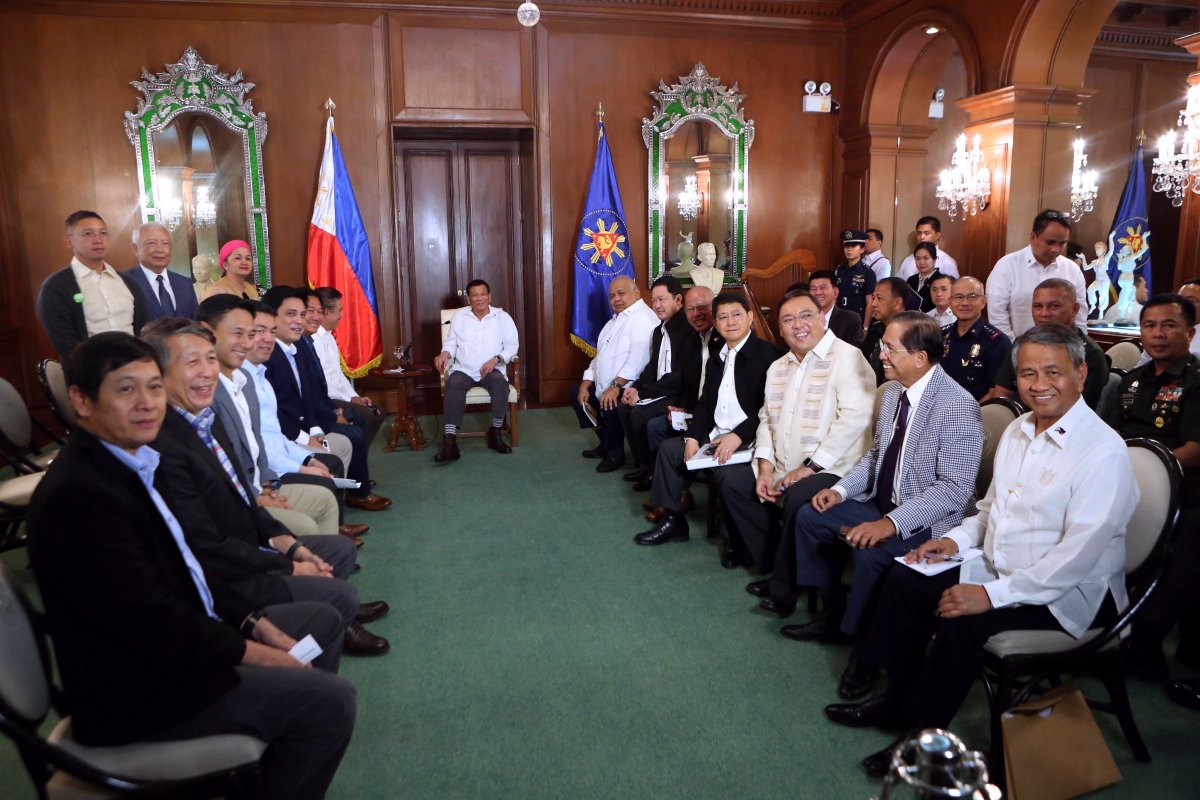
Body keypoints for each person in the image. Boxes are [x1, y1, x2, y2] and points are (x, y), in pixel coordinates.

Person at [27, 332, 356, 799]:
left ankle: (261, 755)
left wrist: (252, 622)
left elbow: (184, 569)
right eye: (126, 389)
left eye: (154, 387)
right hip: (140, 693)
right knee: (330, 703)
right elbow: (155, 623)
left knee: (314, 633)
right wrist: (257, 654)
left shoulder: (126, 461)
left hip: (172, 652)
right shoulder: (78, 496)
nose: (147, 404)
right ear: (80, 399)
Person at [827, 324, 1134, 778]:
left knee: (961, 621)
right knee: (905, 576)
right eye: (1027, 373)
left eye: (1053, 372)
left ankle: (922, 735)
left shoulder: (1102, 452)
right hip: (1001, 565)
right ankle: (893, 701)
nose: (1038, 384)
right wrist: (954, 540)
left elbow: (1076, 559)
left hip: (1069, 594)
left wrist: (990, 596)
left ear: (1081, 373)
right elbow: (991, 512)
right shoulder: (1019, 430)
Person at [142, 317, 391, 657]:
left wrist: (293, 549)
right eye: (191, 362)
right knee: (336, 600)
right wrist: (289, 564)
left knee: (337, 550)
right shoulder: (165, 445)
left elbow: (244, 498)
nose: (205, 371)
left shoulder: (204, 422)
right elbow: (206, 545)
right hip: (230, 572)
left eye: (209, 358)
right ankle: (335, 620)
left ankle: (333, 613)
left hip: (251, 532)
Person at [786, 312, 983, 701]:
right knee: (811, 515)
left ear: (920, 358)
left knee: (873, 555)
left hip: (926, 522)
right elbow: (876, 457)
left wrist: (890, 524)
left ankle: (865, 654)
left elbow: (954, 491)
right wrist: (840, 492)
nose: (882, 355)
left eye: (890, 348)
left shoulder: (957, 405)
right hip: (881, 501)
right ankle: (833, 614)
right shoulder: (893, 392)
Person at [727, 290, 875, 615]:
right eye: (788, 319)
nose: (798, 325)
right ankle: (777, 562)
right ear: (780, 329)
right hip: (784, 463)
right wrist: (764, 466)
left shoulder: (849, 357)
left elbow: (856, 419)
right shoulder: (778, 366)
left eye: (806, 315)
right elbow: (767, 418)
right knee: (734, 485)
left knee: (797, 497)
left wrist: (810, 466)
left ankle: (785, 588)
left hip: (836, 467)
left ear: (823, 317)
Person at [200, 295, 366, 547]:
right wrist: (272, 484)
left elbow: (272, 434)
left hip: (268, 472)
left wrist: (306, 459)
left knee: (331, 460)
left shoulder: (255, 377)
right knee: (324, 478)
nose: (264, 339)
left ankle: (329, 556)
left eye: (269, 332)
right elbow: (253, 450)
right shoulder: (217, 389)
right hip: (258, 483)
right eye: (253, 332)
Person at [635, 293, 784, 562]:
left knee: (728, 475)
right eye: (723, 317)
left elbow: (770, 410)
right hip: (717, 434)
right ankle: (673, 521)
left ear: (750, 317)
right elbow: (705, 403)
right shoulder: (718, 356)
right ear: (716, 323)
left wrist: (737, 436)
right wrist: (693, 437)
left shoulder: (770, 356)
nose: (730, 322)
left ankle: (733, 537)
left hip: (750, 440)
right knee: (670, 450)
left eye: (737, 314)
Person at [1108, 294, 1200, 687]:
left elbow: (1195, 450)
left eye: (1169, 325)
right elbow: (1108, 437)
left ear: (1190, 332)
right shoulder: (1132, 381)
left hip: (1182, 485)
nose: (1158, 334)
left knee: (1189, 539)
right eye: (1150, 326)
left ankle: (1145, 644)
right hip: (1122, 478)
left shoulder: (1196, 382)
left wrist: (1148, 478)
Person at [264, 288, 391, 511]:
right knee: (353, 432)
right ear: (272, 317)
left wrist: (316, 430)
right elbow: (278, 412)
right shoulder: (270, 355)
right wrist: (311, 432)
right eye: (293, 314)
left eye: (303, 314)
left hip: (314, 416)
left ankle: (354, 483)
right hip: (293, 430)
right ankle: (354, 492)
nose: (302, 320)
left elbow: (313, 391)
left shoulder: (299, 346)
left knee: (366, 418)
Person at [243, 302, 351, 483]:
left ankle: (349, 493)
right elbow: (265, 442)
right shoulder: (248, 377)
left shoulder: (262, 372)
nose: (268, 339)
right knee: (326, 475)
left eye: (272, 331)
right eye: (259, 332)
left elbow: (309, 394)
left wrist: (310, 450)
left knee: (345, 441)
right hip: (271, 466)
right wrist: (303, 461)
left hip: (290, 441)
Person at [643, 286, 723, 520]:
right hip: (695, 411)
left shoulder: (725, 341)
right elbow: (690, 385)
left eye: (702, 308)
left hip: (715, 418)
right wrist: (682, 408)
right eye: (690, 309)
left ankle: (671, 497)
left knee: (670, 444)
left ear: (714, 308)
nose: (696, 314)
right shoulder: (691, 341)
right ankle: (679, 493)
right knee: (656, 427)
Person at [571, 276, 659, 472]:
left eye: (621, 293)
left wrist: (615, 386)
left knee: (610, 401)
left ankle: (615, 453)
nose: (616, 299)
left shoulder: (643, 318)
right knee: (576, 393)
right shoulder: (615, 320)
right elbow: (600, 356)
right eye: (612, 296)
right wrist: (585, 383)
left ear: (636, 292)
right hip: (607, 381)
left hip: (628, 385)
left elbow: (638, 361)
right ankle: (606, 442)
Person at [36, 210, 148, 359]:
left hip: (133, 363)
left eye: (103, 233)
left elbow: (142, 329)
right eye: (88, 234)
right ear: (69, 241)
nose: (98, 239)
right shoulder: (56, 287)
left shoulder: (127, 283)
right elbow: (65, 343)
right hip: (89, 370)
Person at [433, 279, 520, 461]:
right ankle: (450, 443)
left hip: (491, 369)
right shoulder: (459, 316)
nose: (479, 298)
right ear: (468, 299)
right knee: (453, 384)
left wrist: (496, 359)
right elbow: (451, 343)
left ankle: (495, 434)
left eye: (483, 294)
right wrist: (444, 354)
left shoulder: (502, 317)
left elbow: (512, 346)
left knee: (499, 384)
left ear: (489, 296)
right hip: (463, 369)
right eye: (475, 295)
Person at [987, 278, 1108, 409]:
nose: (1044, 314)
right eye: (1038, 306)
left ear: (1074, 310)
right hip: (1019, 421)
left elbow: (1081, 409)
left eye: (1054, 306)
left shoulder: (1090, 354)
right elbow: (1003, 392)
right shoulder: (1023, 343)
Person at [617, 275, 690, 487]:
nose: (657, 305)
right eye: (654, 300)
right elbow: (652, 367)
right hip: (661, 388)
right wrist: (636, 388)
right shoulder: (659, 331)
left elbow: (678, 376)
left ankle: (653, 470)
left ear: (678, 300)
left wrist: (644, 393)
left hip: (678, 393)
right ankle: (643, 464)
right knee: (624, 405)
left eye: (662, 299)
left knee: (640, 413)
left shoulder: (687, 331)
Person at [985, 209, 1087, 338]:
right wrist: (1014, 351)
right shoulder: (1007, 266)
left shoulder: (1072, 269)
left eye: (1062, 243)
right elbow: (997, 315)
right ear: (1033, 237)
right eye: (1050, 242)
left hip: (1063, 351)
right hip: (1016, 350)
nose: (1056, 249)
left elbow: (1080, 315)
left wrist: (1077, 345)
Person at [313, 286, 385, 446]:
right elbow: (324, 382)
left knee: (378, 411)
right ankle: (355, 459)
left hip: (339, 396)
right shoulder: (313, 340)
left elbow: (338, 375)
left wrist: (354, 397)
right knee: (364, 415)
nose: (342, 315)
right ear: (326, 312)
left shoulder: (329, 337)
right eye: (339, 310)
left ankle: (358, 457)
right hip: (327, 399)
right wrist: (349, 400)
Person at [939, 276, 1011, 402]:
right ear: (950, 302)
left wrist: (965, 412)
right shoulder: (940, 336)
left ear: (983, 301)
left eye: (972, 296)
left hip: (976, 415)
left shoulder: (998, 342)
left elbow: (995, 392)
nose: (965, 303)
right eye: (959, 297)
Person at [124, 221, 200, 320]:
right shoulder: (124, 283)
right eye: (151, 243)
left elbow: (196, 322)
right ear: (136, 249)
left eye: (165, 243)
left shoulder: (184, 283)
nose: (160, 249)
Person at [860, 277, 909, 385]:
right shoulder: (875, 330)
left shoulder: (911, 334)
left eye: (879, 298)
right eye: (873, 298)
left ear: (897, 303)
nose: (874, 304)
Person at [807, 270, 864, 346]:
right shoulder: (804, 319)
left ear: (835, 292)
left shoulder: (851, 320)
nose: (818, 293)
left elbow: (854, 353)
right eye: (813, 289)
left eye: (823, 288)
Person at [895, 216, 959, 280]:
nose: (922, 237)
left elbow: (954, 288)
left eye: (926, 233)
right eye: (919, 233)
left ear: (937, 235)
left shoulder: (947, 261)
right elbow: (898, 285)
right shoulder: (908, 260)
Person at [833, 229, 876, 321]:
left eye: (853, 246)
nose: (849, 249)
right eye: (847, 246)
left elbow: (870, 303)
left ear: (862, 249)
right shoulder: (839, 270)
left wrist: (865, 327)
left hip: (857, 319)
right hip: (840, 317)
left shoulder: (868, 272)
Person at [905, 242, 943, 312]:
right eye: (918, 258)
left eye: (926, 258)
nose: (921, 262)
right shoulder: (911, 279)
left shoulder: (941, 280)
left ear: (935, 259)